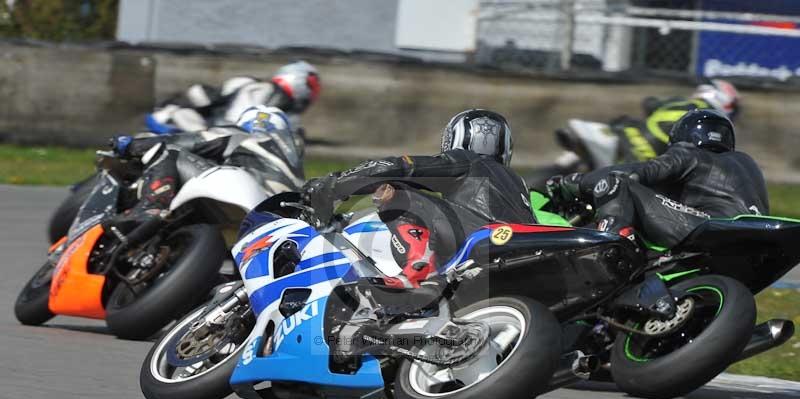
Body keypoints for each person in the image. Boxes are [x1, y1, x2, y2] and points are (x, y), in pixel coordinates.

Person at [302, 109, 534, 286]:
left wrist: (331, 186)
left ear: (453, 139)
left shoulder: (467, 160)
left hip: (483, 244)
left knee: (395, 193)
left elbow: (391, 168)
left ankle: (418, 271)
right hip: (523, 255)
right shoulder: (519, 183)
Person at [550, 109, 768, 249]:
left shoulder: (689, 153)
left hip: (711, 226)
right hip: (753, 237)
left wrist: (575, 182)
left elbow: (637, 171)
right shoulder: (748, 163)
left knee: (617, 182)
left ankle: (609, 246)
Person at [106, 106, 305, 236]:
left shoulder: (244, 134)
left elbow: (185, 141)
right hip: (279, 226)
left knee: (169, 152)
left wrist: (132, 145)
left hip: (247, 199)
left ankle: (150, 207)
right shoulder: (294, 166)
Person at [147, 61, 321, 137]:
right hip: (185, 126)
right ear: (298, 80)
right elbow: (200, 96)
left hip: (222, 137)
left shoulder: (289, 115)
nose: (311, 94)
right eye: (311, 86)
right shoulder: (252, 85)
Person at [618, 79, 741, 162]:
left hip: (630, 134)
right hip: (648, 156)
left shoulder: (682, 102)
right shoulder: (713, 125)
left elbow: (649, 103)